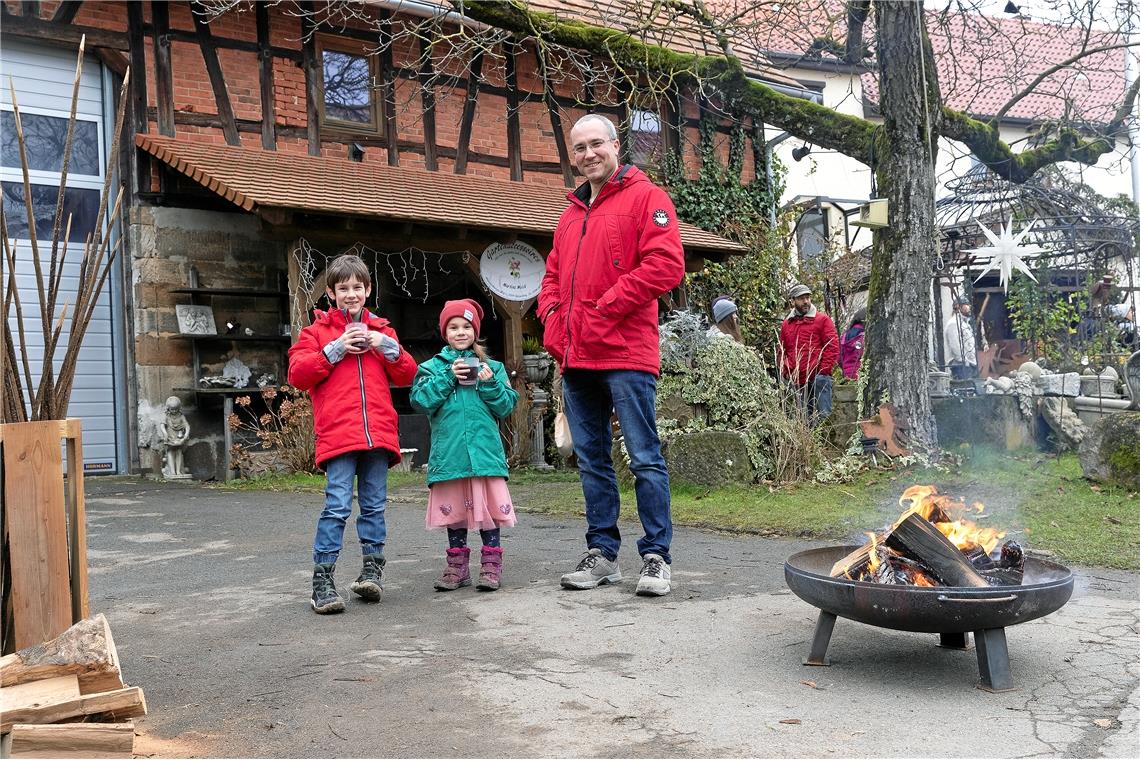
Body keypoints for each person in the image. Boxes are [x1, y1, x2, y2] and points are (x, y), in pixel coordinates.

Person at [538, 113, 685, 597]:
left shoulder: (648, 199)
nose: (587, 155)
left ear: (616, 145)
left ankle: (657, 557)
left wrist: (605, 307)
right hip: (578, 357)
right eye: (578, 148)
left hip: (625, 352)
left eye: (595, 144)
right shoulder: (569, 214)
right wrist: (555, 321)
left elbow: (665, 266)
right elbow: (553, 278)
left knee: (644, 457)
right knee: (591, 460)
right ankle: (602, 554)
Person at [288, 254, 418, 614]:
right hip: (338, 436)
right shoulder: (315, 333)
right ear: (330, 293)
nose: (350, 294)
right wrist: (334, 350)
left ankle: (371, 573)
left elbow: (408, 375)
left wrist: (384, 345)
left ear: (368, 290)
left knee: (374, 506)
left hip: (378, 435)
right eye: (342, 288)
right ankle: (323, 580)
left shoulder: (383, 330)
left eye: (357, 287)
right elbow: (298, 375)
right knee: (337, 506)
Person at [409, 299, 519, 592]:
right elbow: (420, 401)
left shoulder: (492, 368)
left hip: (484, 455)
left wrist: (489, 383)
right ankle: (457, 568)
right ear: (445, 332)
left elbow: (507, 406)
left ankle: (491, 566)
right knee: (455, 512)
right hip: (451, 455)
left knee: (488, 512)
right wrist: (448, 377)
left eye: (466, 327)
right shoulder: (431, 368)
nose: (460, 332)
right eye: (453, 327)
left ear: (475, 331)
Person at [779, 283, 839, 423]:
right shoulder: (787, 324)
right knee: (805, 422)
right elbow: (782, 350)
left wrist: (823, 372)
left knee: (825, 420)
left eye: (808, 297)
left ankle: (827, 446)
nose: (806, 301)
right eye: (801, 298)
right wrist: (787, 370)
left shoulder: (822, 320)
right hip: (798, 380)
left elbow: (832, 346)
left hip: (819, 378)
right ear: (792, 301)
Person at [944, 294, 978, 380]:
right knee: (964, 389)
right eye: (966, 304)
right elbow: (955, 345)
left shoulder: (964, 323)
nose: (969, 306)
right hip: (961, 365)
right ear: (958, 307)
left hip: (969, 364)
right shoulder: (953, 323)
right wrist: (965, 362)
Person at [160, 396, 191, 479]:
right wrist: (165, 434)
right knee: (170, 452)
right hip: (170, 437)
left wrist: (185, 436)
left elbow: (187, 426)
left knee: (179, 452)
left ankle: (178, 471)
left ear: (179, 408)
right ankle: (172, 471)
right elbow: (162, 426)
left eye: (175, 409)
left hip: (179, 437)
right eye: (171, 409)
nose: (174, 411)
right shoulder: (167, 416)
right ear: (168, 409)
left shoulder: (181, 416)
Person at [839, 307, 866, 380]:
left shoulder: (844, 336)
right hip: (860, 376)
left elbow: (838, 357)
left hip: (846, 375)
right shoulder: (864, 336)